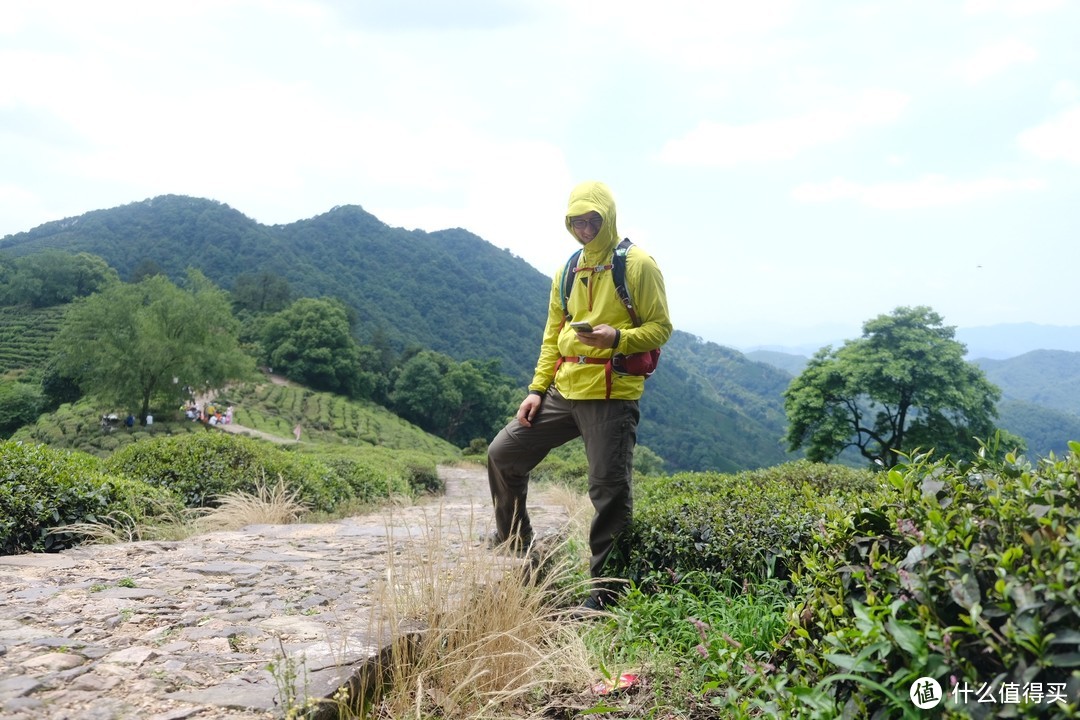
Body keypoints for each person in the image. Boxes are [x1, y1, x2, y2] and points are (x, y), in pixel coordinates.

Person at [487, 180, 672, 612]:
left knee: (607, 488)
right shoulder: (567, 270)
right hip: (563, 389)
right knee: (503, 453)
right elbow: (553, 335)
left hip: (610, 394)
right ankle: (515, 540)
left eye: (592, 221)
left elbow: (661, 328)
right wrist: (536, 390)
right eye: (577, 222)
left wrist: (618, 337)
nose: (585, 229)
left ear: (607, 218)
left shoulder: (639, 265)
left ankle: (605, 594)